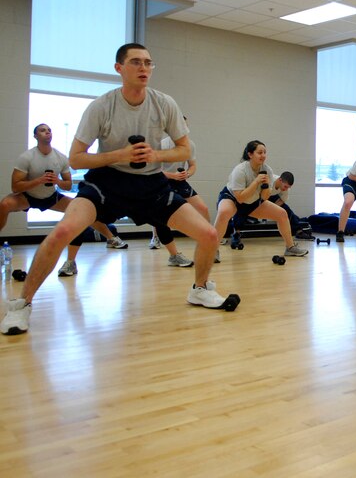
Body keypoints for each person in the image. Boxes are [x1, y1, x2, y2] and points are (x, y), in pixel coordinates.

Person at [1, 44, 239, 336]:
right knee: (63, 232)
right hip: (106, 183)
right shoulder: (102, 106)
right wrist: (120, 155)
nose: (144, 68)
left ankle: (199, 290)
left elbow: (184, 149)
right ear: (119, 68)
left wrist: (155, 156)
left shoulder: (164, 103)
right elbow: (76, 158)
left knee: (210, 234)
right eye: (136, 62)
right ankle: (22, 304)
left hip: (151, 185)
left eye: (148, 63)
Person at [0, 123, 129, 278]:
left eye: (49, 130)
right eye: (42, 130)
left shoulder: (60, 157)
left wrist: (57, 181)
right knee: (5, 204)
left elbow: (68, 185)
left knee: (84, 212)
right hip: (28, 197)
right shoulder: (27, 157)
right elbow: (15, 187)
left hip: (51, 197)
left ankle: (111, 238)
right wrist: (38, 181)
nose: (47, 132)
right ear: (35, 136)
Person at [213, 141, 308, 262]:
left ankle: (290, 247)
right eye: (259, 152)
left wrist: (266, 186)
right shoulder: (240, 170)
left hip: (252, 202)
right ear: (250, 154)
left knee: (282, 214)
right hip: (233, 198)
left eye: (265, 152)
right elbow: (240, 198)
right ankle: (213, 250)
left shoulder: (267, 170)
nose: (263, 155)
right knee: (224, 212)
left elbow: (264, 197)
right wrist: (256, 182)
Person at [148, 120, 209, 268]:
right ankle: (160, 242)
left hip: (180, 181)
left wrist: (187, 174)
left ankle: (208, 241)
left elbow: (193, 165)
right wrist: (172, 176)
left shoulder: (190, 145)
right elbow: (153, 170)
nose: (182, 128)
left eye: (184, 125)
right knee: (160, 216)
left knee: (203, 209)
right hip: (162, 180)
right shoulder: (161, 144)